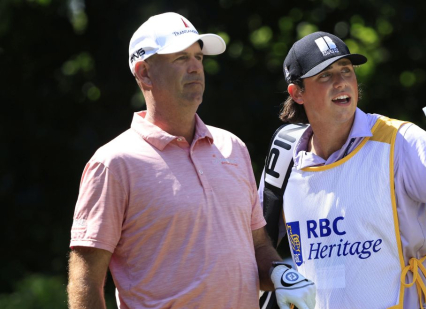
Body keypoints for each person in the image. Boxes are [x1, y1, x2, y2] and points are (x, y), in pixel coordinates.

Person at [67, 12, 315, 309]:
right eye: (180, 58)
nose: (196, 67)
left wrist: (280, 274)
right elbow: (86, 280)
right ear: (144, 72)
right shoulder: (113, 163)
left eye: (198, 57)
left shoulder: (232, 148)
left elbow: (258, 245)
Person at [259, 31, 426, 309]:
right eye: (325, 75)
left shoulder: (401, 141)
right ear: (297, 93)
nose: (341, 82)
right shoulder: (286, 159)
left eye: (346, 70)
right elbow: (257, 250)